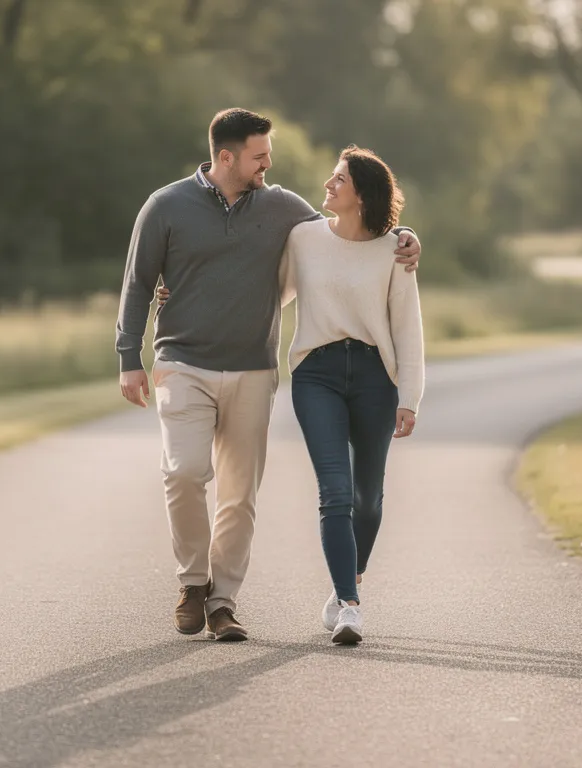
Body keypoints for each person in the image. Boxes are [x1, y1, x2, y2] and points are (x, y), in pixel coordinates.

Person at [115, 109, 421, 641]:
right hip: (183, 361)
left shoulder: (282, 208)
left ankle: (222, 602)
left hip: (255, 368)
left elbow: (352, 231)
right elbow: (138, 282)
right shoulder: (165, 205)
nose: (268, 165)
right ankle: (193, 581)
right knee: (184, 472)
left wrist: (407, 236)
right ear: (226, 156)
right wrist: (128, 357)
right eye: (259, 156)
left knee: (241, 495)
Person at [280, 145, 424, 645]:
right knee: (335, 492)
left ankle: (349, 579)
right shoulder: (303, 238)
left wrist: (410, 396)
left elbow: (407, 327)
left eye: (339, 179)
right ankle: (349, 606)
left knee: (368, 498)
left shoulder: (394, 250)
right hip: (315, 374)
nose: (328, 183)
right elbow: (268, 293)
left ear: (361, 195)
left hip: (373, 378)